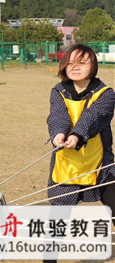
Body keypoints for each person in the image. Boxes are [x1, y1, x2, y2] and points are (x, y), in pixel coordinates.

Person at [44, 44, 115, 262]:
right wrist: (58, 134)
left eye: (82, 63)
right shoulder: (58, 91)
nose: (75, 67)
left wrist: (76, 136)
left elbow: (93, 116)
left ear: (94, 66)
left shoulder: (106, 93)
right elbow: (58, 115)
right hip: (67, 165)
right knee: (57, 222)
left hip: (100, 164)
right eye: (71, 63)